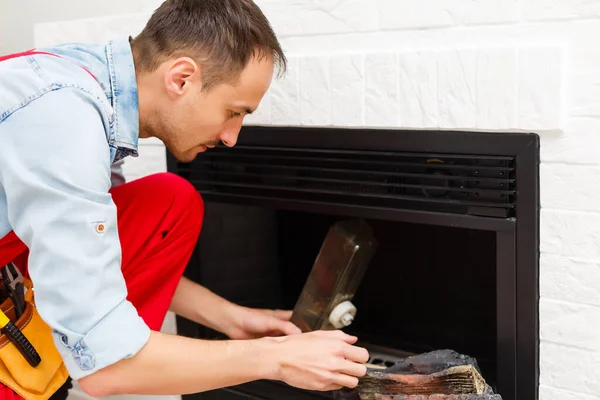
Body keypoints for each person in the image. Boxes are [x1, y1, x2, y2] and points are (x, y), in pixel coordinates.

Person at [0, 0, 370, 399]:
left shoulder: (96, 89)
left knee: (170, 202)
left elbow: (93, 254)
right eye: (233, 111)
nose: (232, 137)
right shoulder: (64, 119)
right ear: (181, 78)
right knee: (105, 358)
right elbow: (104, 370)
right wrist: (275, 358)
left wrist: (232, 320)